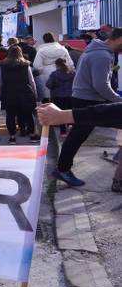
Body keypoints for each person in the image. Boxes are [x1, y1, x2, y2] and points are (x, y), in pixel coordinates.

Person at [53, 28, 122, 186]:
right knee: (77, 136)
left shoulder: (96, 49)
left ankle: (63, 168)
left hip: (83, 97)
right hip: (88, 99)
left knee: (76, 136)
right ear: (118, 39)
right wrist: (118, 99)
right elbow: (100, 85)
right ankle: (63, 169)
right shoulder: (102, 55)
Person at [37, 102, 122, 193]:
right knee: (75, 139)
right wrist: (63, 115)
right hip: (88, 103)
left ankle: (62, 169)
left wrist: (63, 115)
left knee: (74, 138)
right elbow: (101, 88)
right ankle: (62, 170)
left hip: (90, 106)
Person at [0, 46, 37, 144]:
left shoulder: (2, 65)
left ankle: (12, 137)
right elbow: (31, 80)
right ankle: (32, 135)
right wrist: (34, 92)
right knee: (28, 114)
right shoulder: (25, 64)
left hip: (9, 92)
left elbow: (0, 81)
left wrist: (1, 92)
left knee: (10, 115)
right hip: (24, 91)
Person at [33, 32, 74, 101]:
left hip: (46, 73)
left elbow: (37, 65)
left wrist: (42, 70)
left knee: (47, 95)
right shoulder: (62, 49)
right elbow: (70, 63)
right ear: (54, 38)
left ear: (44, 40)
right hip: (62, 71)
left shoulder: (41, 50)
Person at [45, 58, 76, 136]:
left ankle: (63, 132)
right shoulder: (72, 73)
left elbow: (49, 84)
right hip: (70, 96)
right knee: (70, 112)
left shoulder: (54, 74)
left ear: (57, 65)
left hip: (57, 96)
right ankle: (70, 126)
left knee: (60, 113)